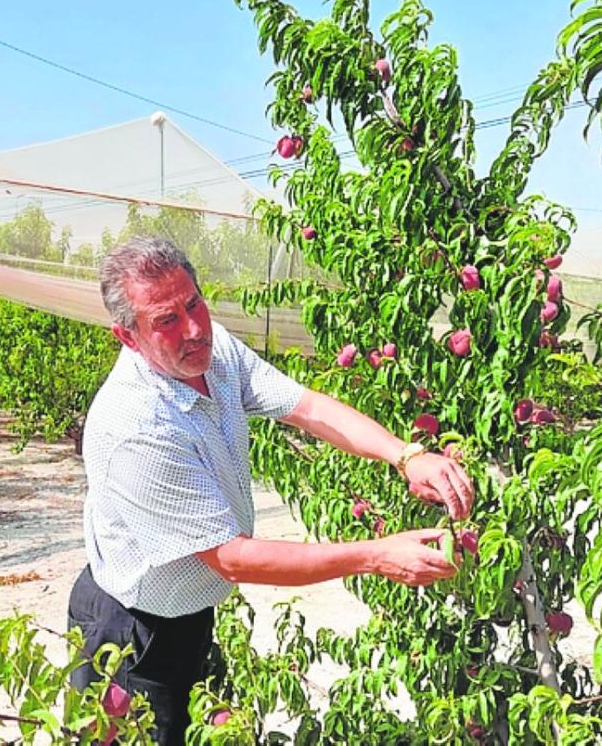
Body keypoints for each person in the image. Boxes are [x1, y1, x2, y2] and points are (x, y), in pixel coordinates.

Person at [69, 236, 475, 745]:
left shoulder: (213, 352)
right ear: (128, 337)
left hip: (187, 614)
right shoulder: (136, 425)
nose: (193, 329)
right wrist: (374, 555)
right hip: (130, 636)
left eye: (194, 303)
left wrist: (406, 454)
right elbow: (233, 558)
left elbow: (303, 406)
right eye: (166, 321)